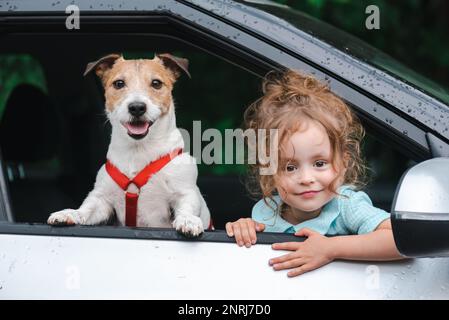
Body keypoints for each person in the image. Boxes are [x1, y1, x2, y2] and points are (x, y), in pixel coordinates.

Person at [225, 70, 403, 277]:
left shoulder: (346, 206)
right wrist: (243, 229)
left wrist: (331, 248)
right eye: (290, 167)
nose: (306, 178)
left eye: (320, 163)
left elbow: (401, 240)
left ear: (344, 163)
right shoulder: (266, 212)